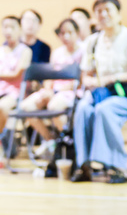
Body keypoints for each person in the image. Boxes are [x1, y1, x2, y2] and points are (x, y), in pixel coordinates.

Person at [71, 0, 127, 184]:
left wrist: (112, 78)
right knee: (82, 108)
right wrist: (92, 81)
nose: (103, 15)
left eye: (108, 10)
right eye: (99, 11)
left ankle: (118, 167)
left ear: (118, 13)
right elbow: (85, 74)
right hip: (101, 93)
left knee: (105, 110)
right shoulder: (93, 41)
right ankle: (84, 165)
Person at [18, 18, 84, 153]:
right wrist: (47, 90)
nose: (65, 36)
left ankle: (69, 140)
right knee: (25, 107)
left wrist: (55, 92)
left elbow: (81, 81)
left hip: (71, 92)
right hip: (54, 91)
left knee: (54, 106)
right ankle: (51, 139)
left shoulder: (83, 51)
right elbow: (49, 76)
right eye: (62, 33)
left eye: (70, 32)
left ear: (77, 33)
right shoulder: (57, 52)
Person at [0, 16, 32, 148]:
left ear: (19, 30)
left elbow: (16, 75)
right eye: (5, 27)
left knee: (2, 106)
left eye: (12, 27)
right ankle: (3, 134)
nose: (8, 31)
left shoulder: (25, 51)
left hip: (15, 93)